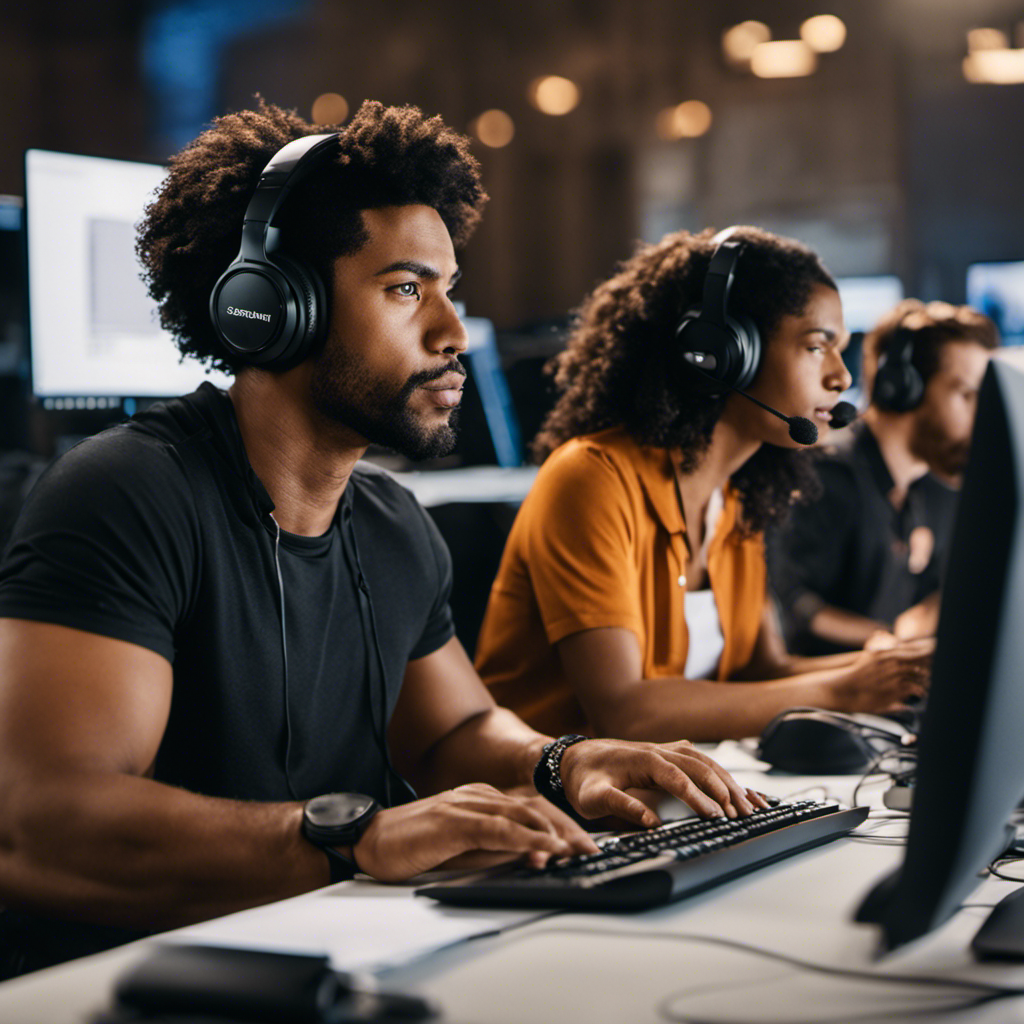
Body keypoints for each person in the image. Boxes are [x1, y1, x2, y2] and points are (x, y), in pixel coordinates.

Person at [0, 101, 761, 976]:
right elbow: (37, 824)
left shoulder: (394, 526)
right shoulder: (129, 495)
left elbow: (454, 732)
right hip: (125, 979)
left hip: (333, 957)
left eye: (449, 289)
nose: (451, 333)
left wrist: (565, 762)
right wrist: (358, 838)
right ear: (270, 307)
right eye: (406, 289)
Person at [474, 227, 931, 743]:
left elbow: (762, 676)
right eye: (815, 346)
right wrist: (844, 689)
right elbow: (625, 713)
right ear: (722, 352)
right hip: (549, 811)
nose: (842, 377)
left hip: (683, 804)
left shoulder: (735, 502)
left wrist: (899, 667)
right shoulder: (591, 479)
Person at [769, 299, 1000, 655]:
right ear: (904, 387)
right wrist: (890, 643)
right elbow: (792, 603)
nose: (979, 418)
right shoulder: (827, 476)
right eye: (966, 395)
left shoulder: (930, 492)